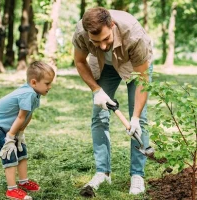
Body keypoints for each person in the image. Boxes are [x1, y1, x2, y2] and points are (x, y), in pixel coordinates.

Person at [72, 7, 153, 195]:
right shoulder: (81, 33)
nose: (101, 46)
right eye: (96, 41)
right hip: (104, 65)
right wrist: (96, 90)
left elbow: (142, 78)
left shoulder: (134, 35)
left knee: (139, 121)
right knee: (99, 115)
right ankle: (103, 172)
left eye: (106, 39)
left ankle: (137, 175)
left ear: (112, 26)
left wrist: (134, 117)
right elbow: (80, 62)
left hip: (133, 64)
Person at [0, 61, 55, 200]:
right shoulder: (28, 93)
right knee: (10, 154)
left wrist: (20, 133)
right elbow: (21, 117)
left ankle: (23, 181)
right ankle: (12, 190)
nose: (50, 87)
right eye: (47, 83)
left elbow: (28, 114)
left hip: (9, 128)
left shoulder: (35, 93)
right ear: (34, 82)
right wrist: (10, 138)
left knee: (22, 151)